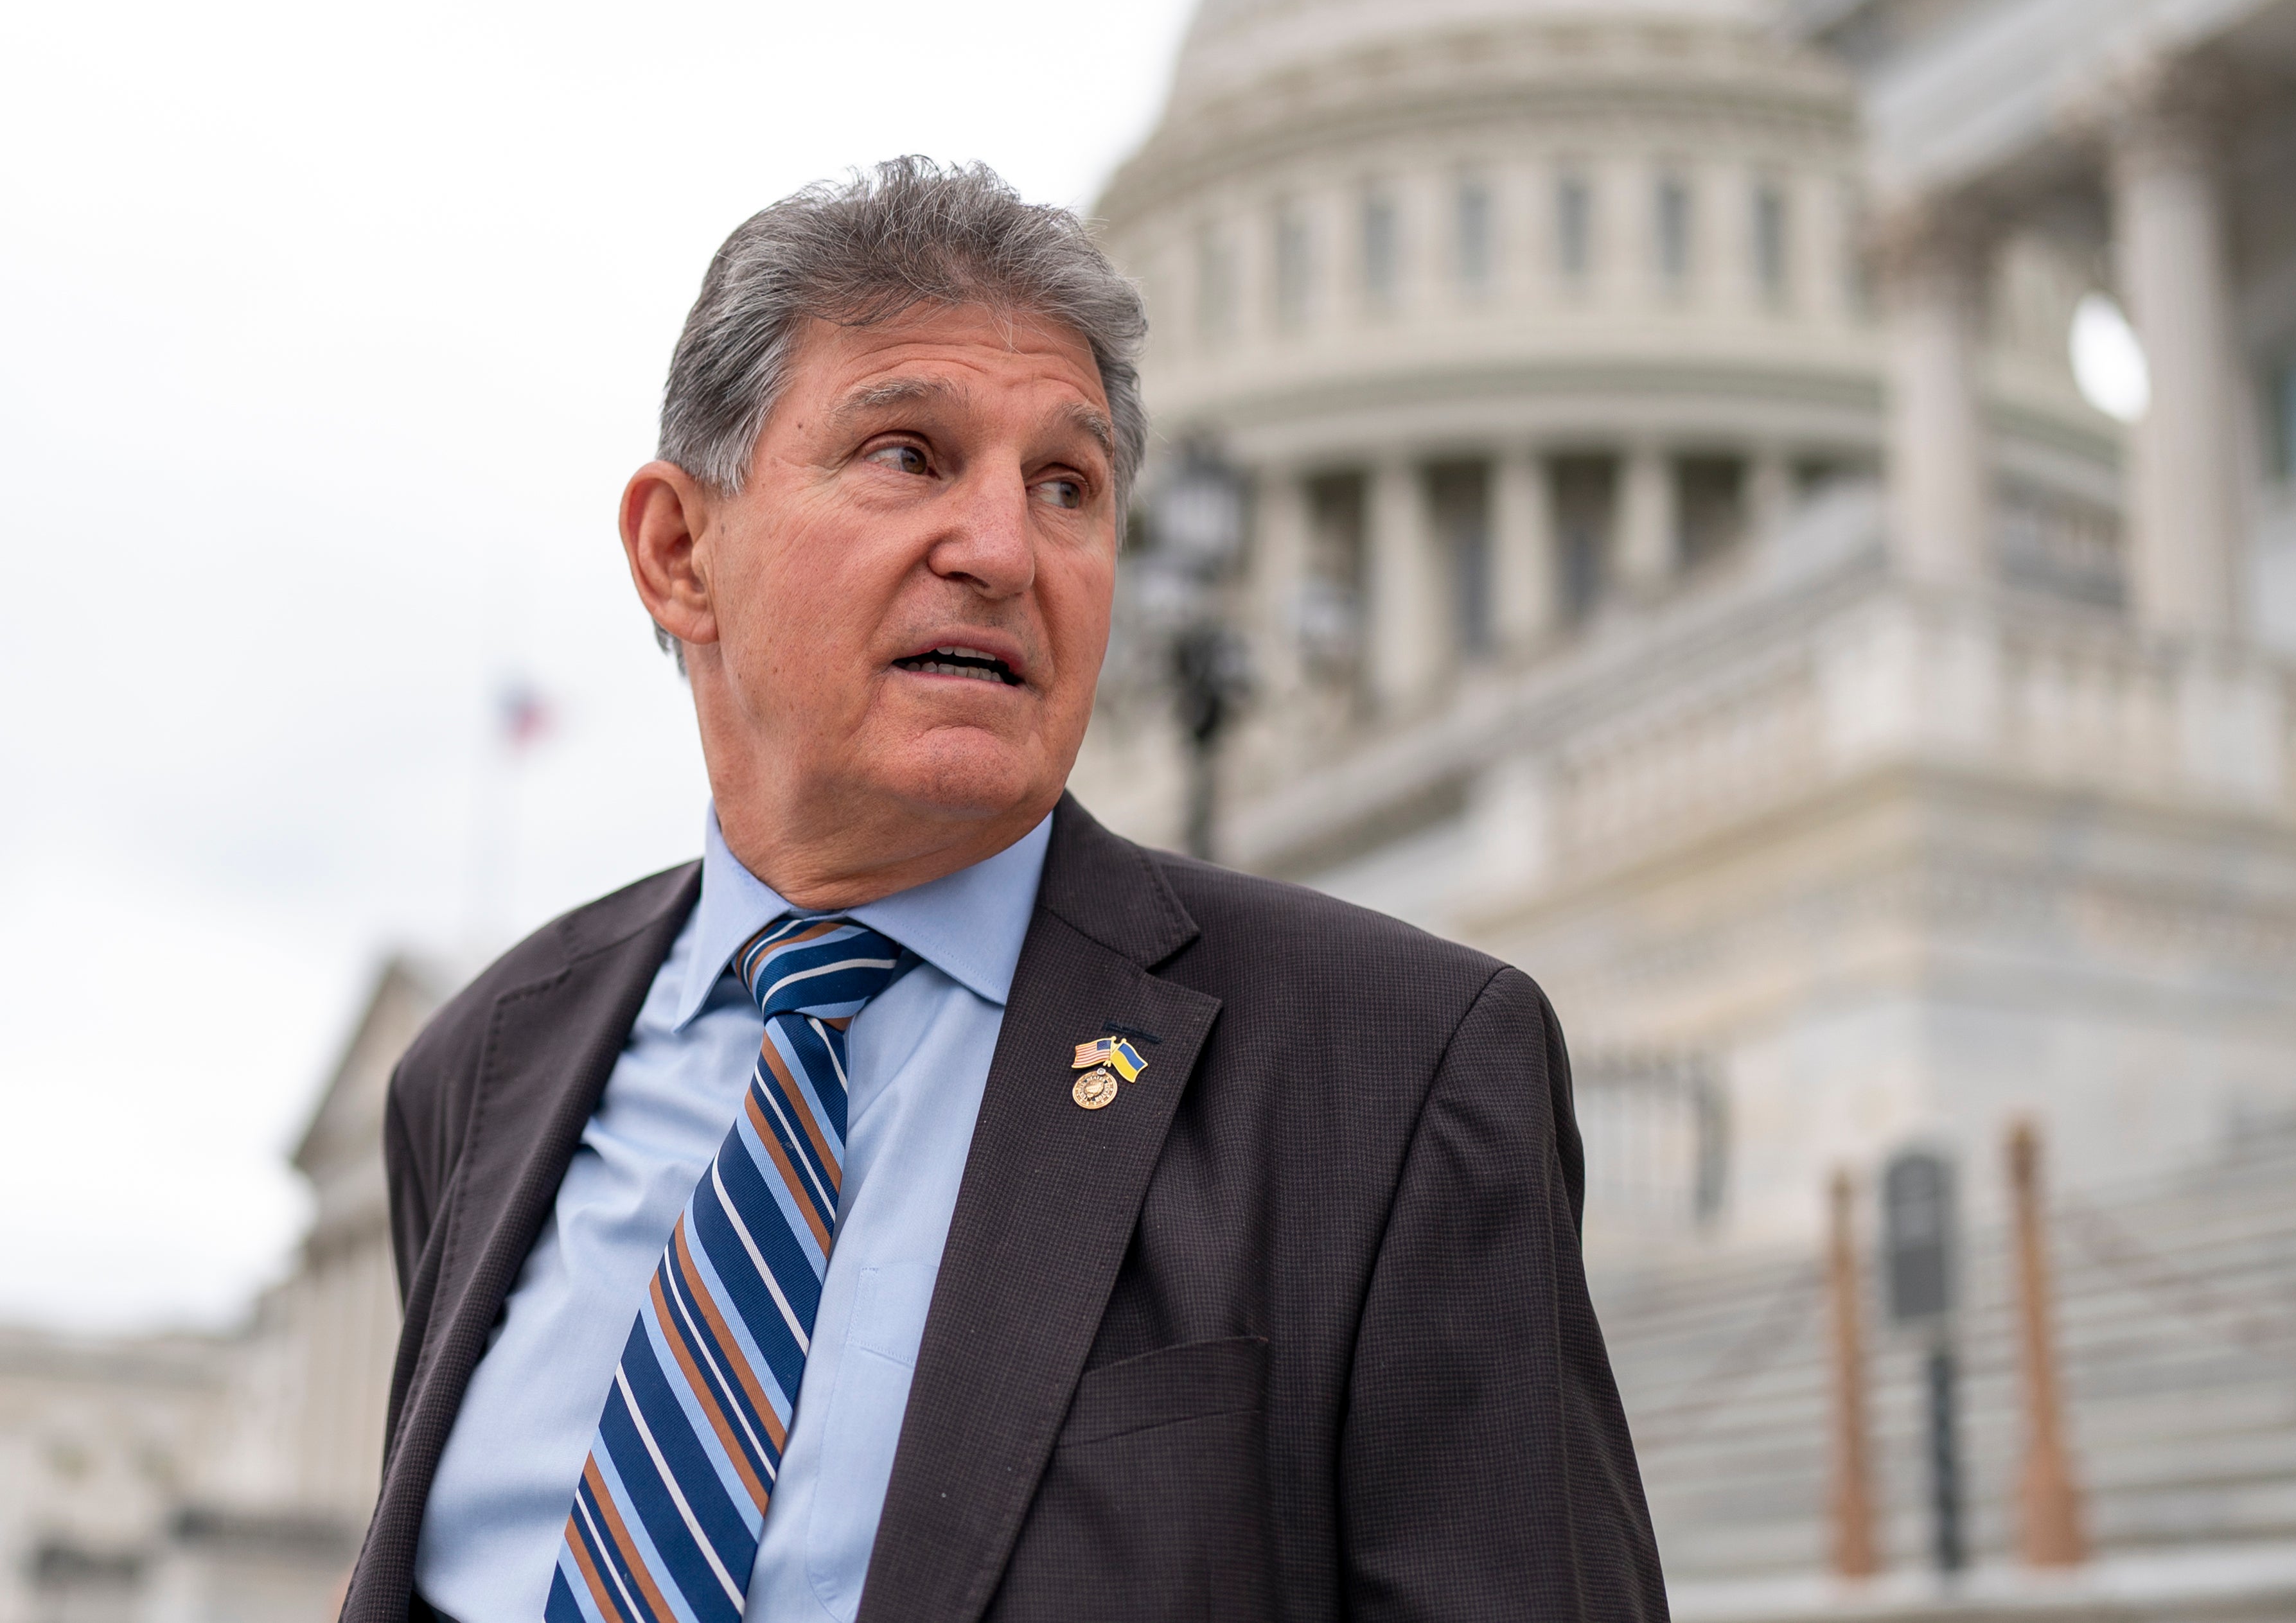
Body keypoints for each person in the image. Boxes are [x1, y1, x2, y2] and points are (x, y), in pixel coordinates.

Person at [340, 158, 1667, 1623]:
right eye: (907, 453)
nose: (1003, 550)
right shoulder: (482, 1068)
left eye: (1066, 486)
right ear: (678, 551)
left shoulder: (1394, 1070)